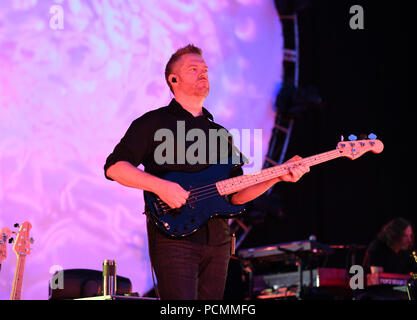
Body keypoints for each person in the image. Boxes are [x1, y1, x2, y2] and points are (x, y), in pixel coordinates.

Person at [104, 44, 310, 300]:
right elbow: (115, 167)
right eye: (194, 69)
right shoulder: (152, 123)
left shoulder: (220, 134)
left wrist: (277, 175)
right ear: (174, 79)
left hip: (219, 240)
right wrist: (161, 186)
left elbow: (236, 195)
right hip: (174, 238)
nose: (203, 73)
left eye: (205, 69)